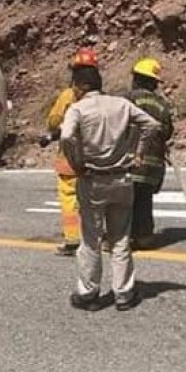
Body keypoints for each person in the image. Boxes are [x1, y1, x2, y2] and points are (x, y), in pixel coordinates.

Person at [60, 64, 161, 311]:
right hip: (122, 179)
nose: (73, 90)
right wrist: (138, 153)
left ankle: (89, 293)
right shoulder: (121, 104)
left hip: (93, 180)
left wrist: (76, 162)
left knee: (91, 238)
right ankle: (124, 293)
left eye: (74, 85)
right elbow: (152, 125)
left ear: (82, 86)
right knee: (120, 237)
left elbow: (65, 137)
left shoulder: (78, 109)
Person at [44, 47, 99, 257]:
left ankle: (73, 239)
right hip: (94, 155)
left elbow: (54, 120)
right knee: (93, 198)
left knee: (69, 198)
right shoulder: (100, 97)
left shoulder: (68, 95)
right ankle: (96, 236)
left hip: (69, 159)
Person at [126, 58, 174, 250]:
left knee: (125, 203)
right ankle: (144, 237)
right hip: (153, 166)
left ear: (136, 79)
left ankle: (123, 238)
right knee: (144, 201)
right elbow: (168, 132)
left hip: (130, 161)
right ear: (154, 82)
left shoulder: (127, 99)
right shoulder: (162, 104)